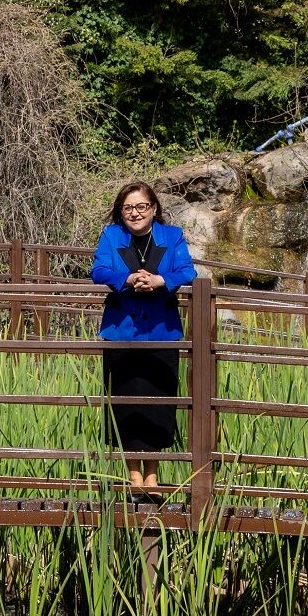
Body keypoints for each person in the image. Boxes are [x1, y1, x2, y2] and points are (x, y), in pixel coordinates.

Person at [90, 182, 198, 502]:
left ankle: (152, 479)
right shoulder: (112, 236)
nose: (134, 213)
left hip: (162, 333)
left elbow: (187, 271)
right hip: (121, 333)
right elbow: (98, 270)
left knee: (158, 405)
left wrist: (159, 280)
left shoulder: (172, 236)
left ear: (153, 208)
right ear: (120, 212)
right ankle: (134, 479)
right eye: (128, 208)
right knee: (126, 405)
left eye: (141, 207)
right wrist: (127, 279)